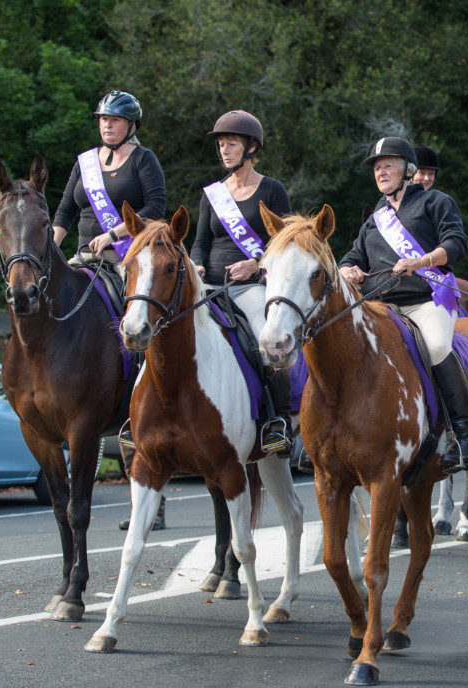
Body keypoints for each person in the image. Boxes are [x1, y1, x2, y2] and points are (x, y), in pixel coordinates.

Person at [339, 136, 468, 474]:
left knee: (436, 346)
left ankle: (464, 439)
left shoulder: (436, 202)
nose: (381, 171)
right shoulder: (375, 218)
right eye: (376, 166)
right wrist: (348, 270)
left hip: (426, 301)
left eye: (388, 164)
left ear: (408, 169)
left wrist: (422, 260)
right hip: (380, 307)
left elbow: (457, 243)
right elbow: (352, 255)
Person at [191, 110, 293, 457]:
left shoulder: (272, 189)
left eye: (231, 143)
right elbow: (201, 242)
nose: (224, 150)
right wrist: (197, 265)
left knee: (268, 340)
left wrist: (255, 263)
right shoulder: (213, 194)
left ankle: (278, 421)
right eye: (221, 144)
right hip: (211, 288)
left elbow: (285, 240)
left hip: (251, 288)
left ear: (251, 147)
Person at [53, 90, 166, 264]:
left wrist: (113, 235)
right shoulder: (85, 162)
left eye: (115, 120)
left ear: (131, 125)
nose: (108, 125)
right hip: (83, 258)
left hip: (127, 258)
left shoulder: (143, 158)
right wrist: (51, 248)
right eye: (104, 119)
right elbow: (65, 210)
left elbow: (155, 208)